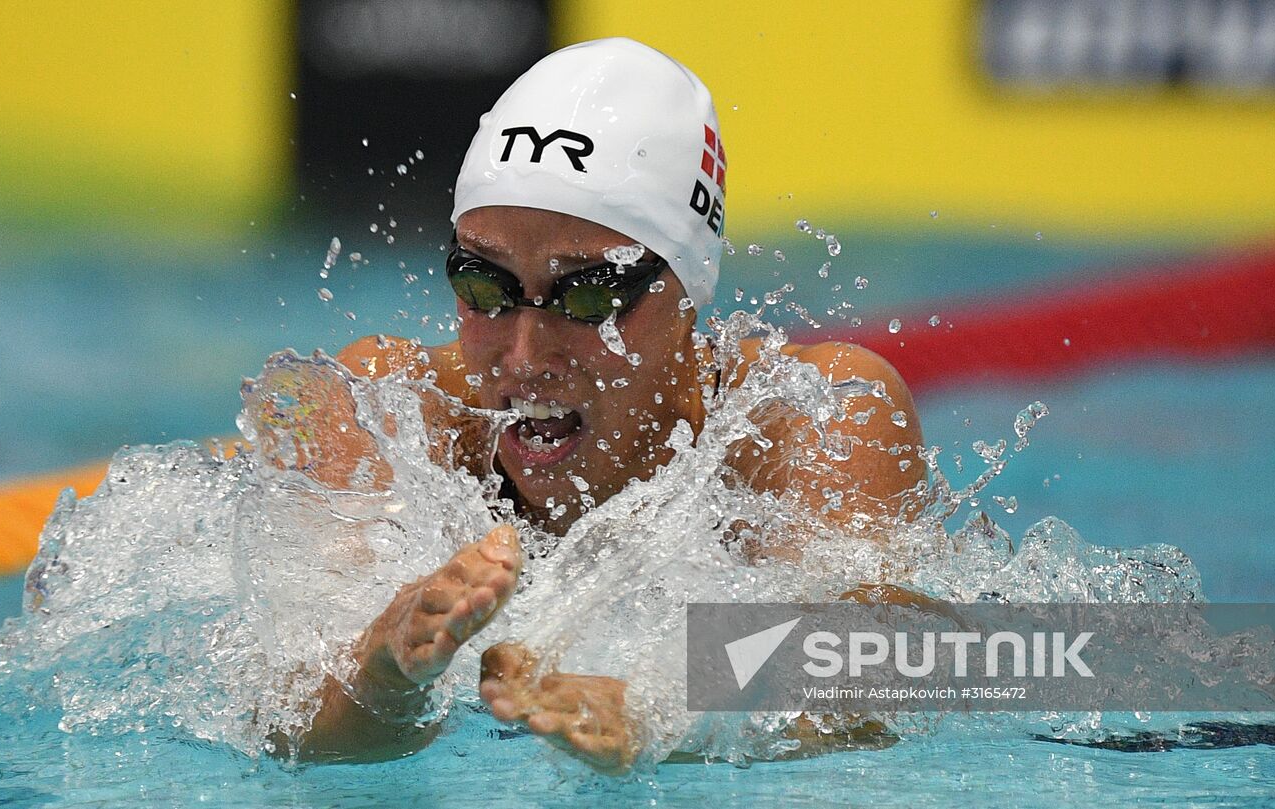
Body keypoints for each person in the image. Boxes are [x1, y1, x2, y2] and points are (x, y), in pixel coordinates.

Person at [285, 38, 926, 771]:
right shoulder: (391, 410)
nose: (524, 357)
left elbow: (900, 674)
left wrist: (669, 707)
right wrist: (383, 671)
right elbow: (287, 721)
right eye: (483, 286)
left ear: (687, 289)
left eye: (589, 295)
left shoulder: (807, 419)